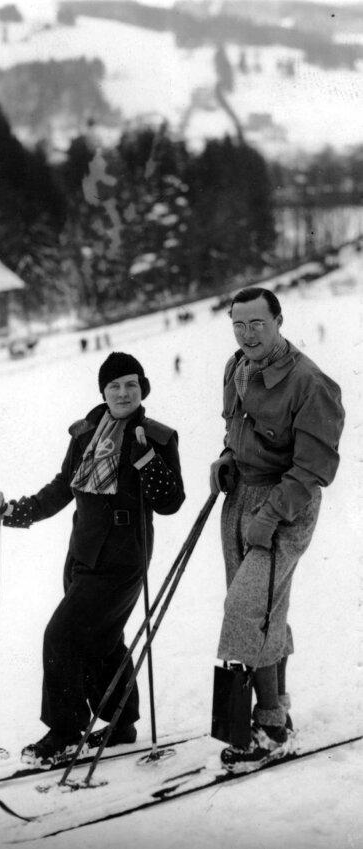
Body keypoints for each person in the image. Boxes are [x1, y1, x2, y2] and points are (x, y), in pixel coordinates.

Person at [0, 352, 185, 767]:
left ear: (142, 388)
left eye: (131, 384)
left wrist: (147, 459)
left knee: (62, 635)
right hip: (82, 553)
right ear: (103, 391)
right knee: (102, 637)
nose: (123, 392)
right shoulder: (85, 434)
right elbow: (63, 488)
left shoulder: (157, 436)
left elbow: (170, 502)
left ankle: (63, 731)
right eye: (114, 386)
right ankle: (121, 723)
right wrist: (16, 514)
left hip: (124, 555)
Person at [209, 287, 345, 771]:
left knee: (247, 609)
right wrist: (227, 458)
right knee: (263, 607)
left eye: (257, 324)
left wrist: (271, 515)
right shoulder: (235, 367)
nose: (247, 334)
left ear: (279, 321)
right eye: (238, 324)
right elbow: (234, 428)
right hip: (242, 496)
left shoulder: (311, 383)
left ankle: (270, 726)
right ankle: (278, 699)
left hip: (286, 504)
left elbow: (312, 469)